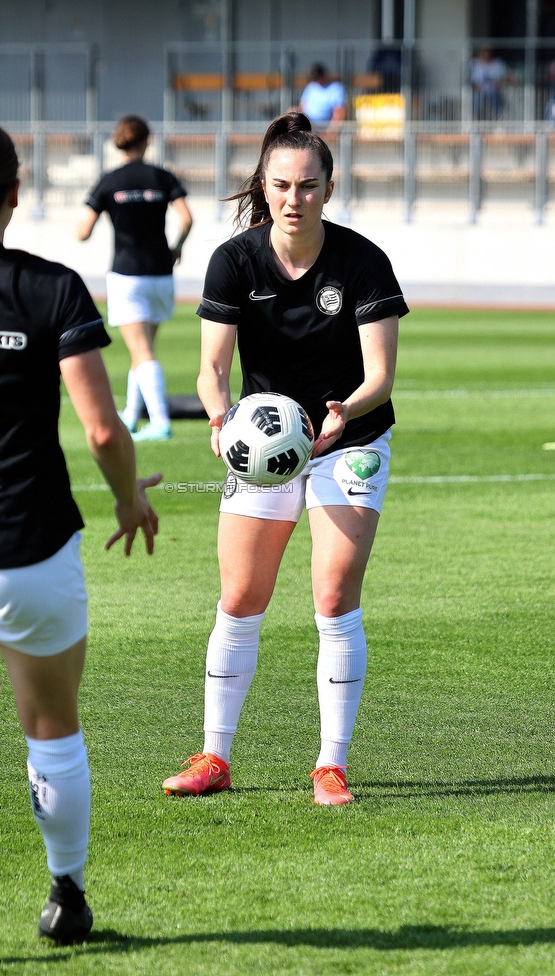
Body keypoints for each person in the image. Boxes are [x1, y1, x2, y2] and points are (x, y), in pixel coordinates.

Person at [0, 117, 159, 964]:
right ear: (16, 193)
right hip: (27, 544)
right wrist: (130, 502)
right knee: (50, 721)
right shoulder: (51, 288)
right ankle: (67, 895)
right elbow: (99, 429)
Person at [162, 112, 407, 805]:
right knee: (240, 599)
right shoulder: (234, 260)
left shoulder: (362, 262)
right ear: (262, 187)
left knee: (333, 596)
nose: (292, 198)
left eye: (307, 185)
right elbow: (212, 369)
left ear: (329, 187)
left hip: (349, 437)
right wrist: (218, 418)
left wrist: (341, 414)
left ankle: (330, 765)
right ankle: (214, 757)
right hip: (263, 448)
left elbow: (380, 375)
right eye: (280, 185)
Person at [77, 115, 193, 442]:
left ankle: (159, 422)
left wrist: (79, 231)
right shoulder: (162, 176)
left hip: (127, 275)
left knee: (142, 352)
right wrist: (176, 248)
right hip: (160, 273)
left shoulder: (110, 180)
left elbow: (83, 231)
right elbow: (186, 219)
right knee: (141, 350)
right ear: (147, 140)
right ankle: (130, 415)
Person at [471, 48, 506, 121]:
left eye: (488, 53)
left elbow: (502, 78)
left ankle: (497, 117)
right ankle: (475, 117)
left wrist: (497, 84)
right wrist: (478, 87)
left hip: (492, 90)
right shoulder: (476, 64)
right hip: (480, 90)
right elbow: (473, 81)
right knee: (477, 97)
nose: (486, 55)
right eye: (484, 53)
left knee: (494, 95)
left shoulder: (496, 64)